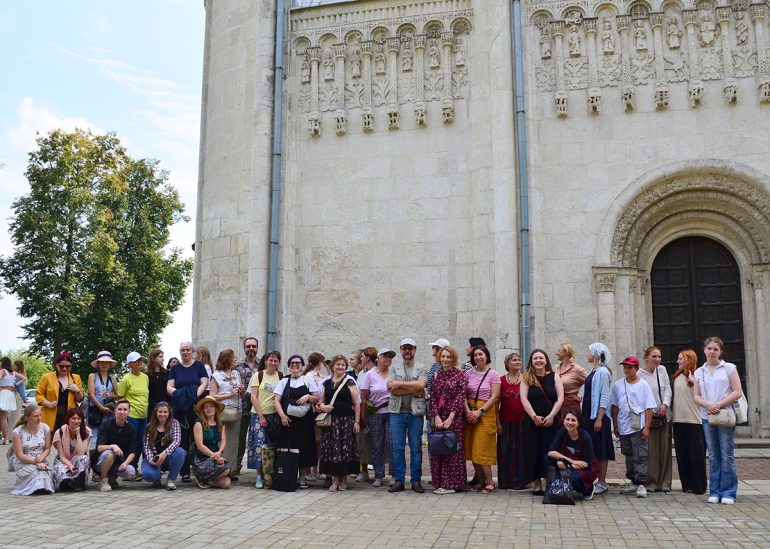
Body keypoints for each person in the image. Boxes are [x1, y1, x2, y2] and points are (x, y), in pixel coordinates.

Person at [693, 336, 742, 504]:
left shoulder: (729, 368)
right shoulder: (699, 372)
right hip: (707, 417)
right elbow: (696, 396)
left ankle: (728, 492)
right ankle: (714, 491)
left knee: (726, 454)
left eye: (716, 349)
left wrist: (718, 405)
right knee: (713, 455)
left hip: (725, 416)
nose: (712, 351)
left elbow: (737, 391)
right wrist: (708, 405)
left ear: (720, 351)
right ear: (704, 349)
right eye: (709, 348)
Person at [387, 338, 428, 493]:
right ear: (400, 350)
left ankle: (416, 481)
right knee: (397, 448)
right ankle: (399, 480)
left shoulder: (422, 367)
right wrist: (412, 387)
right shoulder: (394, 368)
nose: (407, 351)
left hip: (415, 413)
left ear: (415, 350)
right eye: (405, 348)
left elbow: (421, 385)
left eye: (410, 348)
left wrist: (399, 384)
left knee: (416, 448)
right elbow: (392, 389)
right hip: (397, 413)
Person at [611, 356, 656, 498]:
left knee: (640, 455)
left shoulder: (643, 385)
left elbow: (649, 407)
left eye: (630, 367)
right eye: (625, 367)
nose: (627, 370)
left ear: (636, 369)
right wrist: (615, 425)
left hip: (638, 425)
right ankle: (633, 481)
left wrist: (647, 427)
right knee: (628, 454)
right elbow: (615, 406)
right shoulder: (618, 385)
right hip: (624, 425)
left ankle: (642, 483)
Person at [521, 348, 564, 495]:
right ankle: (537, 483)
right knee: (534, 450)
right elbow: (524, 399)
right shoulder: (527, 377)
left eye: (541, 358)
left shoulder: (554, 376)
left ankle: (550, 481)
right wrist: (534, 417)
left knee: (550, 450)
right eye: (535, 359)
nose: (538, 361)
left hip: (551, 421)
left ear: (546, 360)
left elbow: (560, 399)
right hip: (533, 421)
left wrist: (551, 416)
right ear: (531, 362)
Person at [274, 354, 319, 488]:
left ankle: (303, 477)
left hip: (304, 422)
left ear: (302, 365)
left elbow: (316, 398)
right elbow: (276, 401)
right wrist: (282, 416)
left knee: (304, 448)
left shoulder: (307, 380)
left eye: (298, 363)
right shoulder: (283, 381)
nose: (295, 365)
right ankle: (289, 475)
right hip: (288, 421)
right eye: (292, 363)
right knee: (288, 447)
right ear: (289, 366)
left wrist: (307, 397)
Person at [167, 342, 208, 483]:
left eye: (188, 350)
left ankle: (200, 469)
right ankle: (184, 472)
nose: (185, 352)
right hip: (180, 408)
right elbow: (169, 386)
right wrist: (180, 394)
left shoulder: (199, 366)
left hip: (196, 406)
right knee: (182, 439)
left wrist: (195, 394)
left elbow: (204, 382)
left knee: (198, 439)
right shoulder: (175, 368)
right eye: (183, 350)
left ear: (192, 351)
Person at [318, 355, 361, 491]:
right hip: (331, 422)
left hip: (346, 421)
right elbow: (321, 402)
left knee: (345, 450)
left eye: (343, 365)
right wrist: (323, 407)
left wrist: (357, 422)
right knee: (333, 450)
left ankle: (344, 480)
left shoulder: (350, 382)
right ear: (333, 367)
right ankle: (335, 480)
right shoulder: (326, 383)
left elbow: (357, 403)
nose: (341, 367)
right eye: (338, 364)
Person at [429, 346, 467, 494]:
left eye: (448, 357)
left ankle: (452, 484)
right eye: (443, 356)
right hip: (439, 417)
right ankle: (439, 483)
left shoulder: (459, 375)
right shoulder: (436, 375)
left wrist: (451, 417)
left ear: (453, 359)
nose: (445, 359)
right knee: (439, 448)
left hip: (454, 418)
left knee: (452, 449)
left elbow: (460, 396)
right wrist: (436, 416)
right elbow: (432, 396)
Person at [463, 345, 501, 494]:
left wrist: (480, 411)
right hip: (470, 413)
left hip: (485, 414)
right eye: (476, 355)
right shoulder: (467, 374)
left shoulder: (494, 375)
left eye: (481, 354)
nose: (478, 357)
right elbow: (463, 393)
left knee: (482, 448)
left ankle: (491, 482)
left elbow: (495, 396)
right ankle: (480, 480)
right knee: (472, 448)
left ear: (487, 356)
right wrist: (467, 411)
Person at [638, 345, 673, 492]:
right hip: (649, 416)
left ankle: (665, 482)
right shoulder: (639, 374)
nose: (657, 359)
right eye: (654, 356)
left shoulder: (662, 370)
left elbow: (667, 389)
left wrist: (665, 404)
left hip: (663, 414)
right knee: (650, 450)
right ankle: (651, 481)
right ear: (646, 358)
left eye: (659, 356)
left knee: (665, 449)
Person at [671, 349, 707, 494]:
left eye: (680, 359)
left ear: (689, 360)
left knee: (696, 456)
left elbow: (705, 396)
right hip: (678, 420)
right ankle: (687, 484)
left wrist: (694, 382)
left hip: (695, 421)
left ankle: (699, 486)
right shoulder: (676, 376)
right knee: (682, 455)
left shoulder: (698, 376)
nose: (677, 361)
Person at [582, 342, 615, 495]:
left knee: (601, 447)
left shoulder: (602, 372)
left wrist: (600, 417)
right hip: (589, 414)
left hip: (598, 415)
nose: (587, 354)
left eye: (588, 352)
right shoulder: (592, 371)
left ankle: (602, 481)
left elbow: (605, 397)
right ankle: (594, 478)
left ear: (595, 354)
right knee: (592, 446)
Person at [247, 350, 283, 488]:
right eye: (270, 360)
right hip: (258, 415)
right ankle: (258, 476)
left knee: (272, 445)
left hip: (274, 415)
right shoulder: (258, 375)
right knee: (259, 445)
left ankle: (270, 474)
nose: (273, 363)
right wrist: (261, 416)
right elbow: (253, 397)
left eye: (275, 361)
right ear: (266, 361)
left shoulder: (280, 376)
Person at [546, 408, 599, 500]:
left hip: (585, 469)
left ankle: (588, 488)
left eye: (573, 420)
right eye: (567, 419)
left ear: (578, 423)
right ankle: (558, 486)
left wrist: (567, 465)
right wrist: (569, 461)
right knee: (547, 458)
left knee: (571, 476)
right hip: (571, 463)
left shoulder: (585, 437)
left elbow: (587, 465)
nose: (570, 423)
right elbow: (551, 452)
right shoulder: (562, 432)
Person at [360, 348, 393, 487]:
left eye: (390, 357)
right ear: (378, 358)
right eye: (385, 357)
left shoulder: (394, 373)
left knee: (391, 442)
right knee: (376, 444)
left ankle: (394, 474)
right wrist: (362, 417)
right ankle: (378, 475)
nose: (388, 360)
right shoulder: (370, 374)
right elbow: (364, 396)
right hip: (375, 413)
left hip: (392, 412)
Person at [210, 348, 244, 479]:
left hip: (236, 411)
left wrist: (241, 389)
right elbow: (212, 396)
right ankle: (219, 469)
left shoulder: (236, 373)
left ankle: (231, 470)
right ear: (226, 360)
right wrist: (230, 394)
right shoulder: (216, 375)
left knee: (233, 442)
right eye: (233, 357)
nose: (235, 359)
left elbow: (241, 392)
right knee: (221, 442)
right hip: (222, 411)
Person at [497, 352, 528, 490]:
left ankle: (521, 482)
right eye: (514, 360)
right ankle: (505, 482)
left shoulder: (527, 379)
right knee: (504, 452)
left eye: (519, 359)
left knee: (521, 451)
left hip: (522, 421)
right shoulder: (501, 380)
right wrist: (497, 422)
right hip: (505, 421)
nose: (517, 361)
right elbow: (496, 403)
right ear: (507, 364)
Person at [86, 350, 119, 480]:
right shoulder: (92, 376)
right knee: (94, 442)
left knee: (106, 440)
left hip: (108, 413)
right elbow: (91, 394)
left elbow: (117, 395)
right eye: (102, 362)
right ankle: (94, 471)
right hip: (95, 412)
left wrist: (110, 396)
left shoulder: (113, 378)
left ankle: (105, 469)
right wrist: (100, 406)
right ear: (98, 364)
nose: (105, 364)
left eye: (107, 362)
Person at [10, 405, 54, 495]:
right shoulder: (17, 432)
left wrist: (41, 458)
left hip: (41, 460)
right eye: (36, 416)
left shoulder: (45, 428)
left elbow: (47, 448)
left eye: (40, 415)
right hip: (24, 463)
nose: (39, 418)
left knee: (44, 473)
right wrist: (36, 462)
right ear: (27, 418)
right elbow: (19, 455)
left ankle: (41, 487)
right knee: (37, 472)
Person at [117, 351, 149, 475]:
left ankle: (134, 467)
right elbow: (120, 397)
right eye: (136, 361)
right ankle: (127, 469)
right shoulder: (126, 379)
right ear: (130, 364)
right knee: (131, 442)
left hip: (143, 416)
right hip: (131, 416)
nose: (140, 362)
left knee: (141, 442)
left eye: (140, 360)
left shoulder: (145, 377)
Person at [142, 401, 185, 491]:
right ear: (156, 413)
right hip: (154, 458)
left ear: (169, 413)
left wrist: (164, 453)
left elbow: (177, 441)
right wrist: (151, 461)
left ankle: (171, 479)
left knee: (180, 452)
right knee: (148, 475)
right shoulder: (149, 426)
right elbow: (146, 447)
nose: (162, 414)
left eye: (165, 412)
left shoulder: (175, 423)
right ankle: (156, 476)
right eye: (160, 412)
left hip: (168, 457)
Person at [95, 399, 137, 492]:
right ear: (115, 411)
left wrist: (126, 463)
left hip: (119, 462)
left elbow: (132, 452)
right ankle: (103, 480)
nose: (122, 412)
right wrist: (112, 446)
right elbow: (99, 447)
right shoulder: (106, 425)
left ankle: (112, 476)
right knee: (110, 453)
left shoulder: (131, 429)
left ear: (129, 412)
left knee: (131, 473)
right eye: (120, 409)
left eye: (125, 410)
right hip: (101, 460)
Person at [36, 353, 84, 432]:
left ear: (71, 366)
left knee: (66, 440)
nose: (64, 369)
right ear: (56, 365)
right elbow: (38, 394)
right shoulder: (47, 377)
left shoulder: (76, 378)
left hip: (68, 417)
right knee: (50, 440)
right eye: (61, 366)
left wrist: (77, 391)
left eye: (67, 366)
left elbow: (79, 399)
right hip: (50, 416)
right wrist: (48, 403)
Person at [191, 395, 232, 489]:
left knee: (227, 483)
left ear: (216, 408)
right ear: (203, 410)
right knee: (226, 471)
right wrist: (215, 456)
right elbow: (199, 445)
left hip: (215, 457)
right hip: (202, 459)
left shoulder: (220, 423)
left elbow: (223, 440)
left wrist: (220, 452)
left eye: (211, 406)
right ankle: (200, 475)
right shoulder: (198, 423)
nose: (209, 409)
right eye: (206, 407)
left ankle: (207, 479)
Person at [234, 337, 259, 475]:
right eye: (248, 346)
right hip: (242, 408)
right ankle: (236, 467)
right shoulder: (237, 367)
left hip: (258, 409)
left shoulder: (263, 365)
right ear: (244, 348)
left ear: (257, 348)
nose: (251, 348)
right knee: (240, 439)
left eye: (253, 346)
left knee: (258, 440)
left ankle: (260, 469)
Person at [52, 407, 91, 491]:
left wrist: (78, 435)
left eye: (79, 419)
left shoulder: (87, 431)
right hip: (64, 461)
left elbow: (81, 453)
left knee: (84, 458)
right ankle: (67, 481)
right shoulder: (60, 432)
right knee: (65, 483)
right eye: (73, 418)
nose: (76, 421)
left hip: (78, 461)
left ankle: (79, 483)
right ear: (68, 419)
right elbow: (61, 456)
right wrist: (70, 466)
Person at [303, 351, 327, 481]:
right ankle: (307, 470)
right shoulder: (309, 376)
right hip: (311, 411)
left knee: (318, 442)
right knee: (310, 441)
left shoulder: (321, 376)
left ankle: (316, 469)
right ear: (319, 362)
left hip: (320, 411)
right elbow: (316, 393)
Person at [350, 349, 370, 482]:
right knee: (357, 442)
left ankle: (366, 469)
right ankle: (358, 468)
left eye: (353, 359)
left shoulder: (366, 374)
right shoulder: (351, 374)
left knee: (365, 442)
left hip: (366, 409)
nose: (350, 361)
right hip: (353, 410)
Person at [554, 343, 587, 412]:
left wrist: (582, 398)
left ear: (565, 352)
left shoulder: (577, 369)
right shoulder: (555, 368)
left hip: (570, 406)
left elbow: (592, 383)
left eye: (559, 351)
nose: (556, 353)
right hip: (555, 404)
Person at [1, 357, 21, 443]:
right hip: (9, 394)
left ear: (3, 363)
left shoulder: (3, 371)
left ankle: (5, 438)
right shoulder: (13, 373)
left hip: (3, 393)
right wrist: (15, 385)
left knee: (3, 417)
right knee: (4, 417)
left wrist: (3, 387)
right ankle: (6, 438)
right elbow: (24, 378)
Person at [146, 349, 169, 420]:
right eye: (160, 357)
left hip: (165, 406)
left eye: (163, 357)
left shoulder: (167, 373)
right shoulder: (146, 375)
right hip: (152, 407)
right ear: (153, 358)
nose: (163, 359)